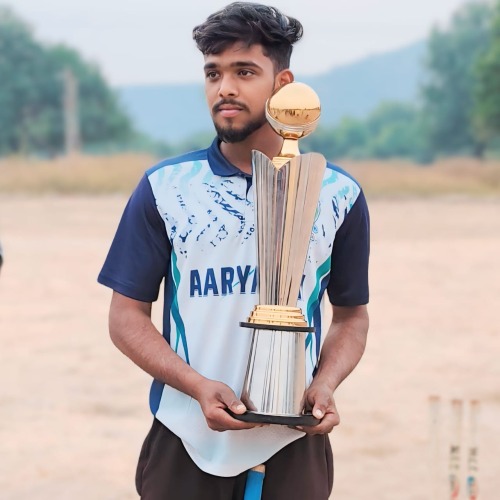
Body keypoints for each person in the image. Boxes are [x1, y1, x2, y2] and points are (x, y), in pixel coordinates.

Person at [98, 3, 370, 499]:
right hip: (185, 435)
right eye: (213, 73)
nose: (224, 88)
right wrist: (196, 386)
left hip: (295, 441)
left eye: (244, 72)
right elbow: (125, 316)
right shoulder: (166, 187)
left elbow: (351, 317)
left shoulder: (336, 193)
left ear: (283, 84)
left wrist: (326, 383)